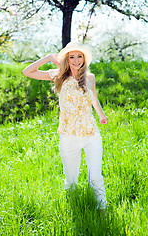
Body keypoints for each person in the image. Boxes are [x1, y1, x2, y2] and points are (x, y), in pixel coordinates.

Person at [22, 42, 108, 209]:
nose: (76, 60)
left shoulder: (90, 78)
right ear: (66, 59)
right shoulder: (58, 75)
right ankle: (75, 210)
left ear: (84, 58)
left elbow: (94, 99)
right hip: (68, 135)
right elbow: (27, 72)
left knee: (96, 176)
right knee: (71, 179)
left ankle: (102, 209)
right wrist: (48, 58)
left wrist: (102, 115)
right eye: (71, 57)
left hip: (91, 134)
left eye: (79, 56)